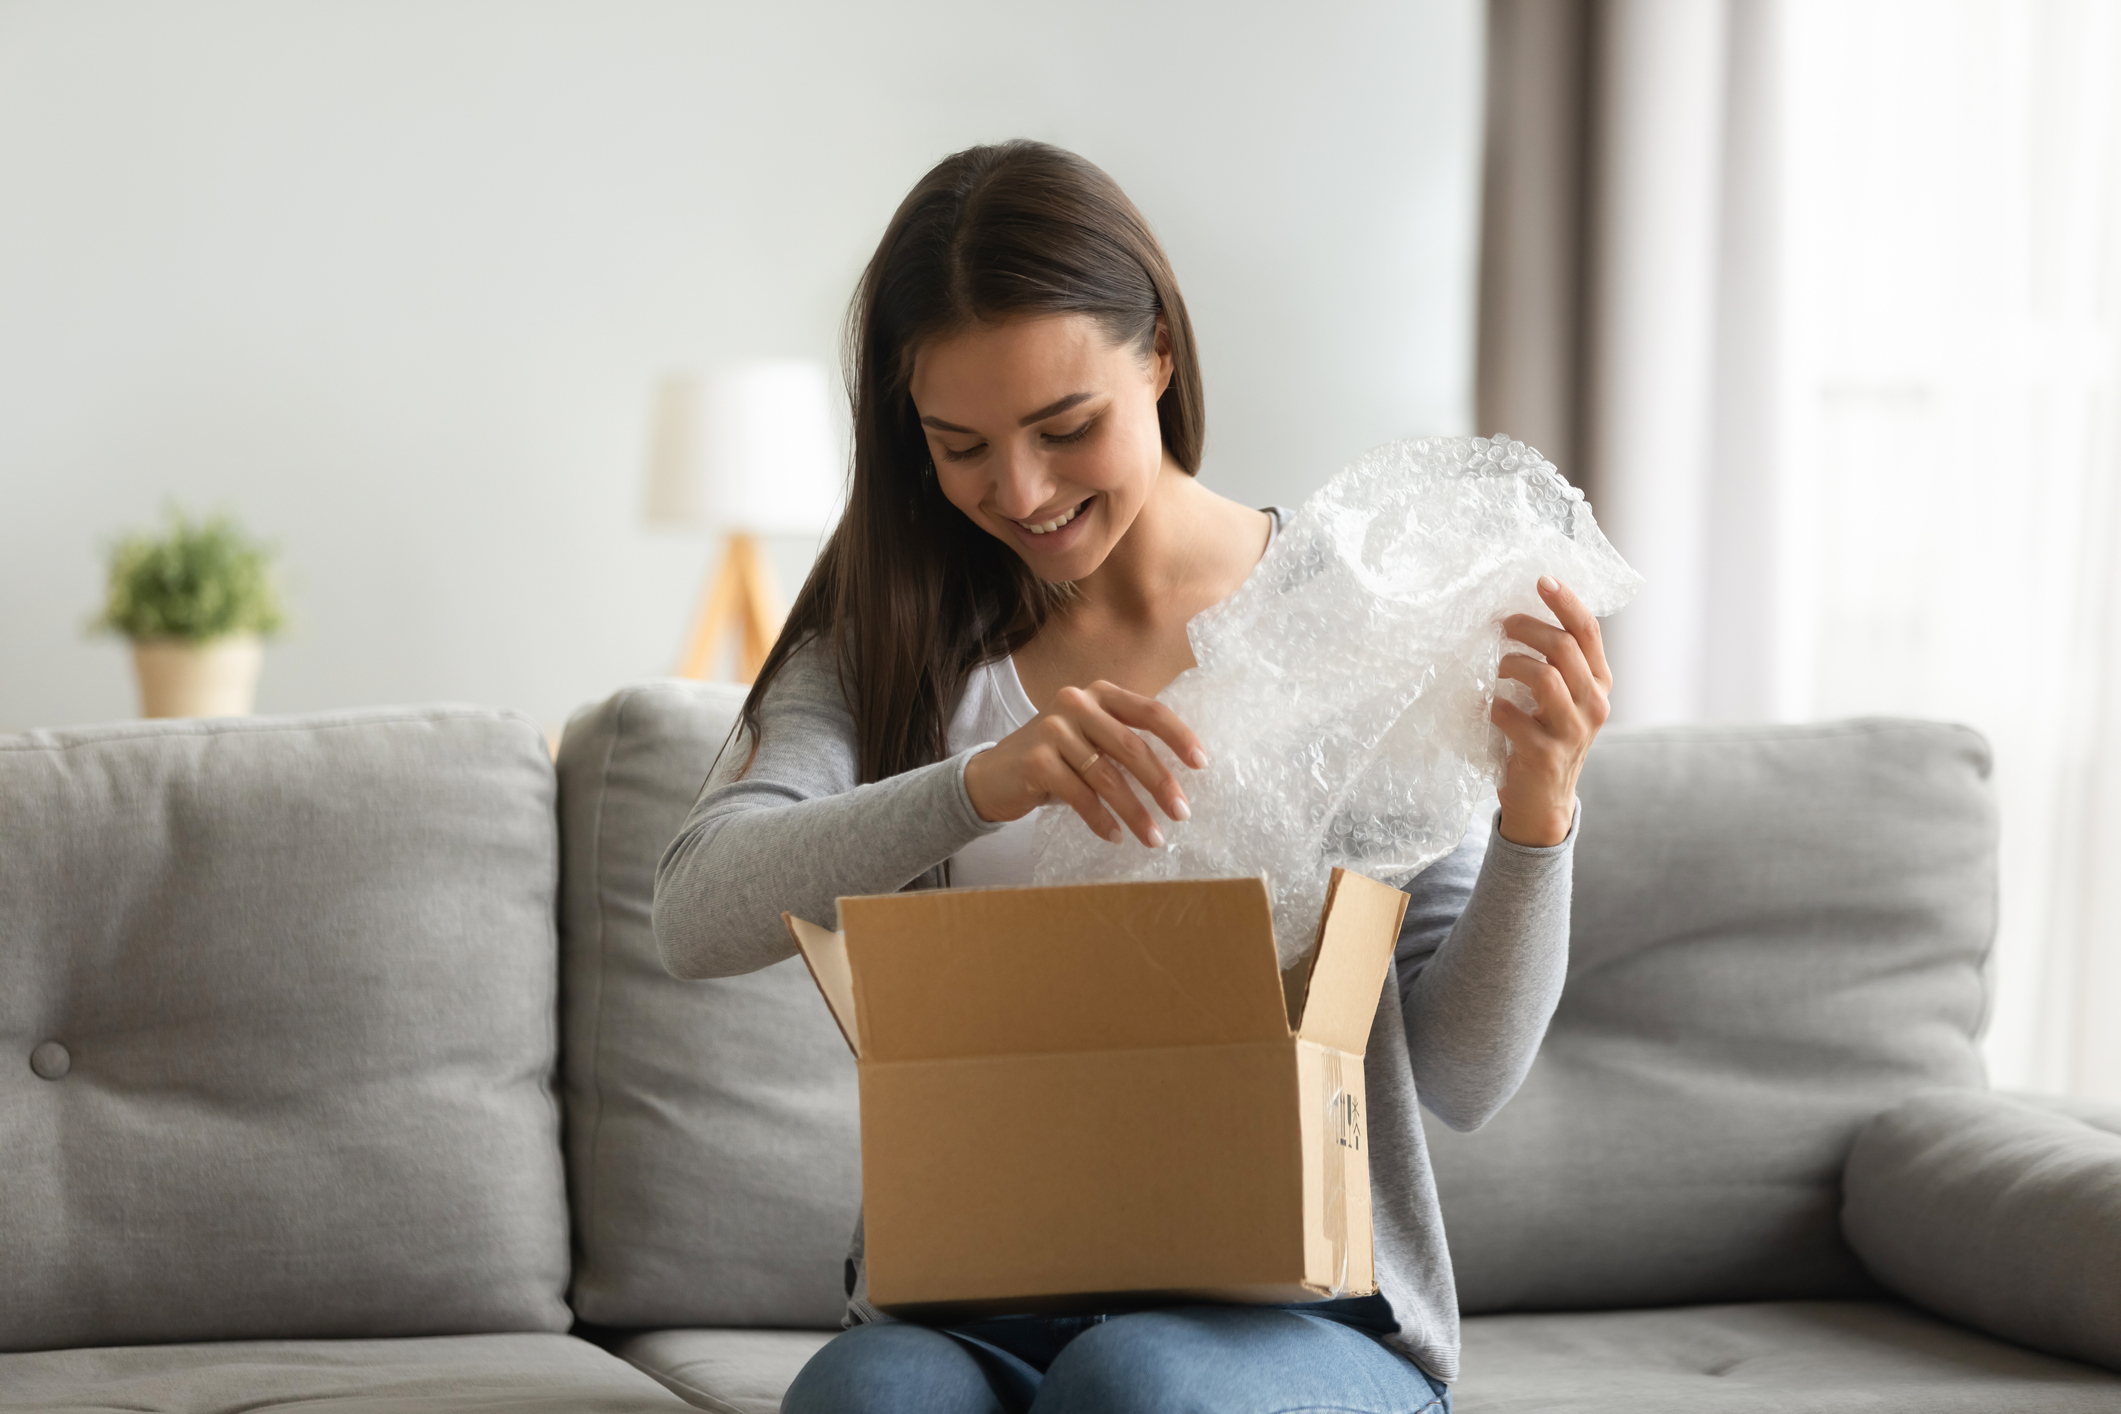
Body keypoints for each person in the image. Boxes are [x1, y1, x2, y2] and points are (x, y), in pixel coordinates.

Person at [653, 139, 1612, 1414]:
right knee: (865, 1399)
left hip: (1309, 1317)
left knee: (1139, 1382)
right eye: (961, 445)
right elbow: (695, 909)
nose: (1023, 492)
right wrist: (980, 784)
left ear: (1158, 352)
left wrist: (1537, 822)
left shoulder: (1348, 624)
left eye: (1067, 428)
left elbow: (1460, 1074)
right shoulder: (888, 640)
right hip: (970, 1301)